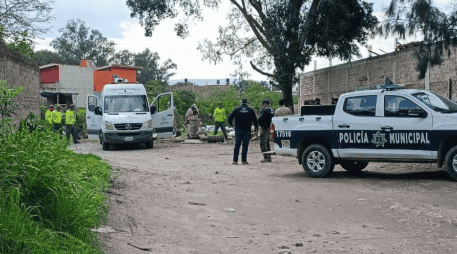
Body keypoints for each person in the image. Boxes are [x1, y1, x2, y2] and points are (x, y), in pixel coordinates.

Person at [228, 98, 258, 165]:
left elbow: (229, 118)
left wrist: (232, 125)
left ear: (241, 102)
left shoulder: (237, 109)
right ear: (247, 102)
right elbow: (255, 121)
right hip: (247, 130)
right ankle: (244, 161)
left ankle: (235, 161)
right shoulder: (250, 110)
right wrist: (256, 129)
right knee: (245, 145)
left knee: (237, 145)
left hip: (238, 129)